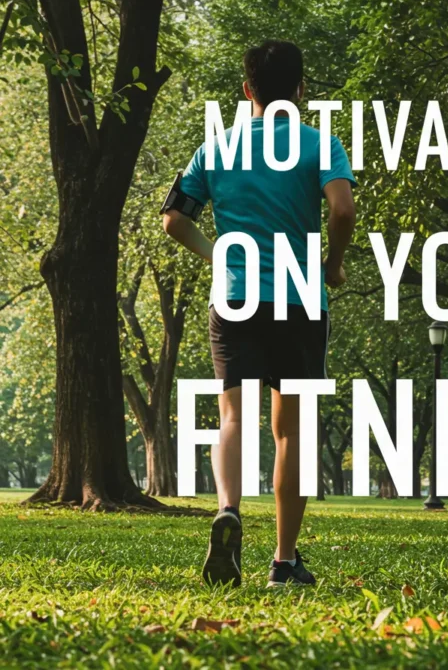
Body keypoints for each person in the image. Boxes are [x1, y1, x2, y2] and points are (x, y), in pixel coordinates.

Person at [162, 40, 356, 587]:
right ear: (302, 91)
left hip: (234, 297)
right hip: (299, 298)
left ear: (247, 89)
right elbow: (342, 208)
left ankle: (227, 508)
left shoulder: (215, 149)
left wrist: (219, 255)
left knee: (232, 417)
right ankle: (283, 562)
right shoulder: (319, 143)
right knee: (289, 431)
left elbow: (174, 219)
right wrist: (333, 263)